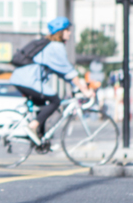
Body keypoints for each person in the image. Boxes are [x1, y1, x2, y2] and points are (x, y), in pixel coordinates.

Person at [10, 17, 93, 145]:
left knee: (44, 105)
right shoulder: (55, 47)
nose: (70, 33)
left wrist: (74, 85)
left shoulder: (49, 45)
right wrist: (85, 91)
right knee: (55, 101)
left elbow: (61, 73)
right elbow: (69, 72)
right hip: (28, 80)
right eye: (67, 30)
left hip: (21, 79)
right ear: (60, 32)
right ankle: (32, 127)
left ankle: (40, 139)